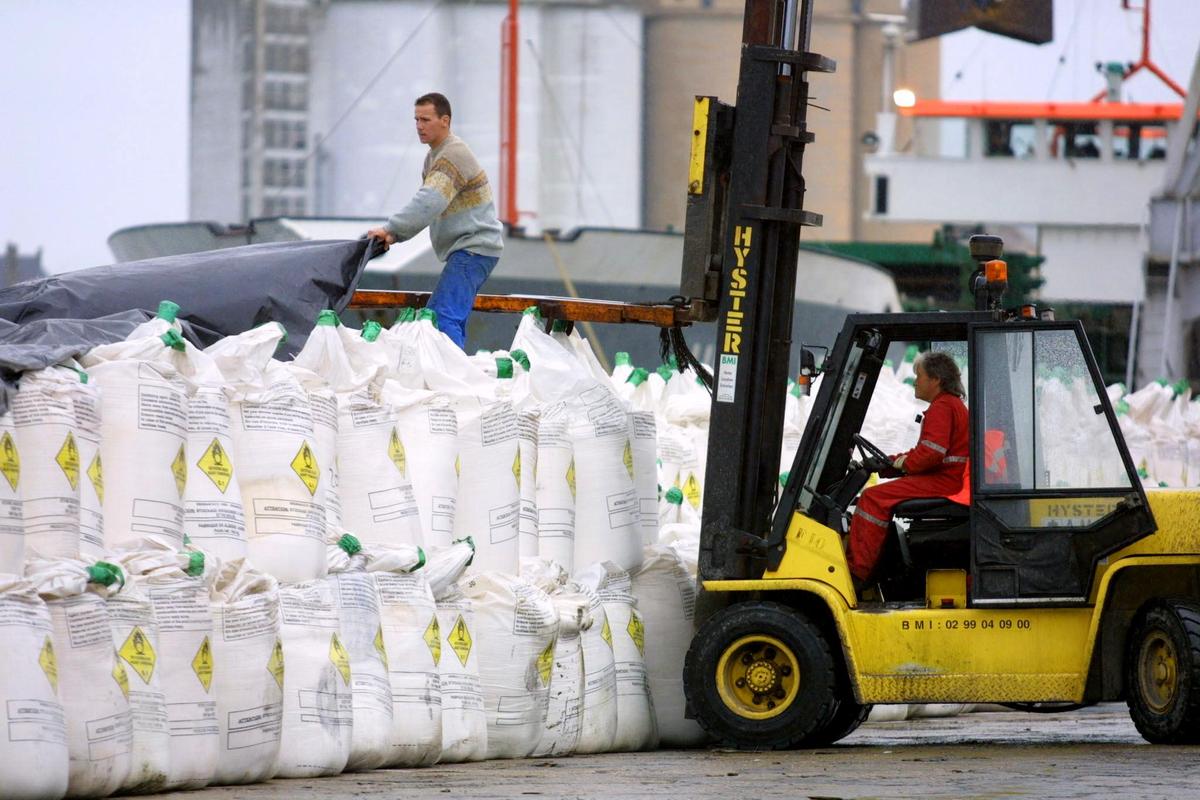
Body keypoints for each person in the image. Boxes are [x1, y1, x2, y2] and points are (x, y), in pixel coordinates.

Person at [367, 92, 504, 349]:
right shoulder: (434, 156)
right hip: (470, 250)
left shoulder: (452, 154)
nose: (419, 126)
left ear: (445, 120)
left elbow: (430, 202)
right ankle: (451, 372)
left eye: (426, 119)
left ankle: (450, 378)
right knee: (445, 316)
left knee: (442, 318)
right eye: (416, 120)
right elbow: (428, 207)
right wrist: (394, 234)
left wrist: (390, 230)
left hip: (473, 248)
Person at [846, 351, 969, 584]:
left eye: (919, 376)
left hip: (945, 481)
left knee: (873, 498)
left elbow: (931, 454)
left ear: (936, 380)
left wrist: (901, 465)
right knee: (877, 494)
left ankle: (856, 572)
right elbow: (924, 453)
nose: (915, 381)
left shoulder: (942, 407)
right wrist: (887, 464)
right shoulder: (950, 405)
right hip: (947, 478)